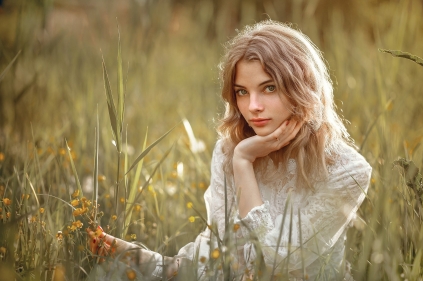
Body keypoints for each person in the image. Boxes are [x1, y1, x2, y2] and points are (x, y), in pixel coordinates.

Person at [87, 20, 372, 280]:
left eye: (269, 88)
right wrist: (142, 259)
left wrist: (245, 162)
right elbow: (220, 261)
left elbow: (269, 264)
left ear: (302, 88)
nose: (253, 106)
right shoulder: (229, 152)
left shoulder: (347, 171)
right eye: (242, 92)